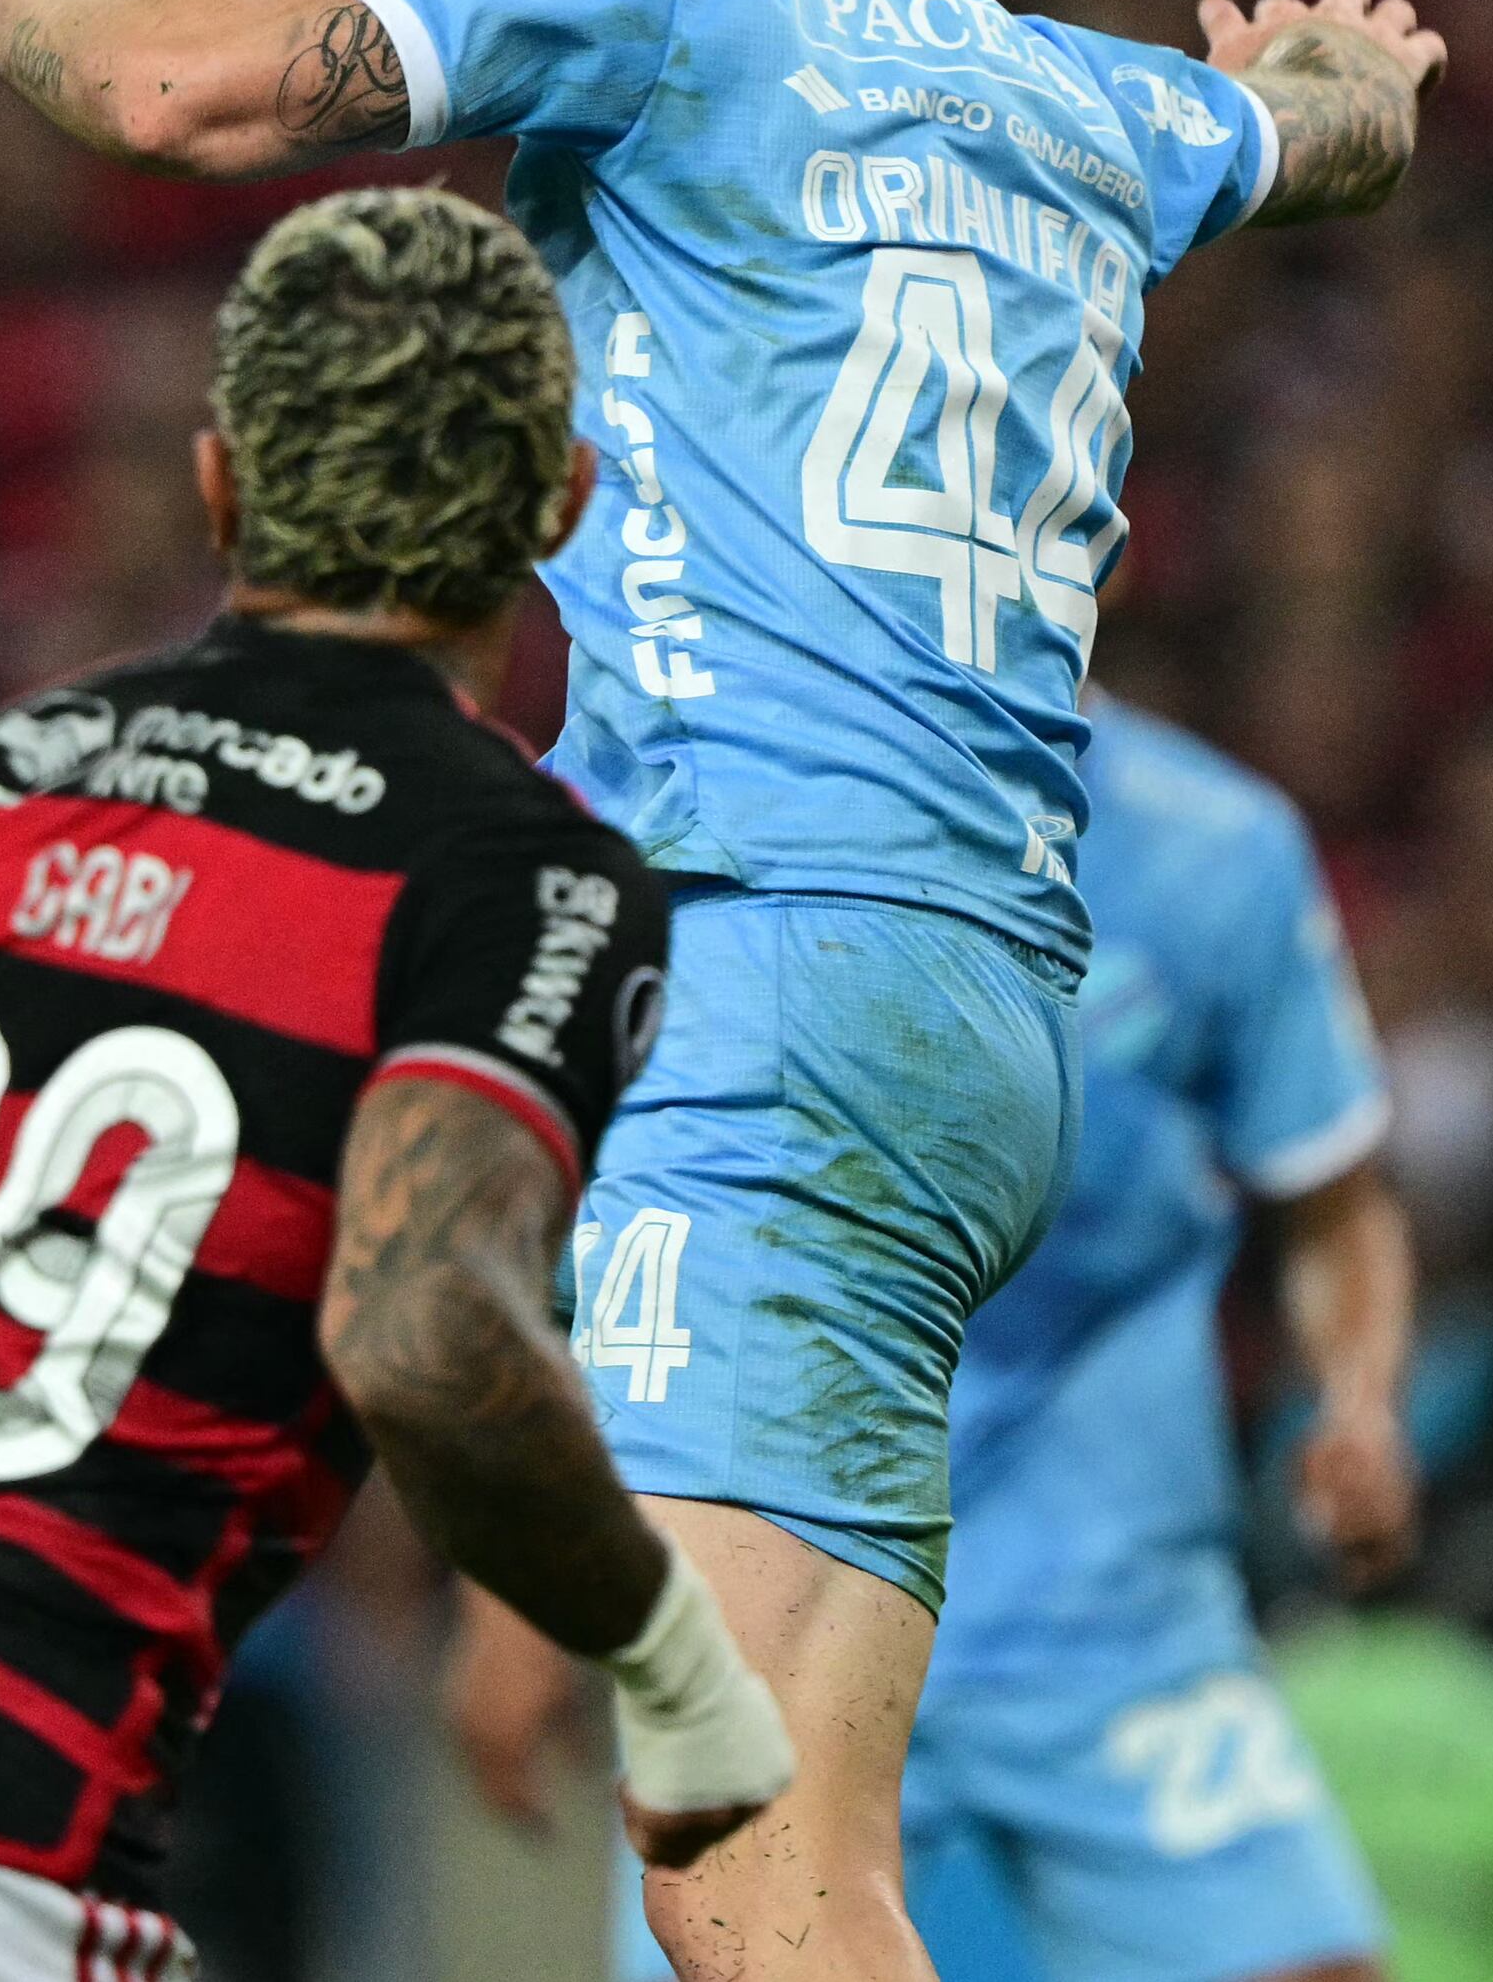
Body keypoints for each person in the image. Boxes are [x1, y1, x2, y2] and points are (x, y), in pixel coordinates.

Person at [0, 0, 1444, 1982]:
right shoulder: (1050, 81)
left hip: (767, 983)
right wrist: (1360, 83)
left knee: (731, 1845)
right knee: (811, 1833)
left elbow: (193, 86)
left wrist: (21, 2)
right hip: (982, 1009)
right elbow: (1307, 137)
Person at [0, 189, 796, 1982]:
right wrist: (676, 1668)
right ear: (563, 511)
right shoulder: (517, 875)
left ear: (215, 487)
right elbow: (428, 1336)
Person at [456, 687, 1422, 1982]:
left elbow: (1336, 1206)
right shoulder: (694, 814)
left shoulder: (1215, 850)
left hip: (1108, 1608)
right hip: (774, 1580)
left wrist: (1360, 1399)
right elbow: (571, 1209)